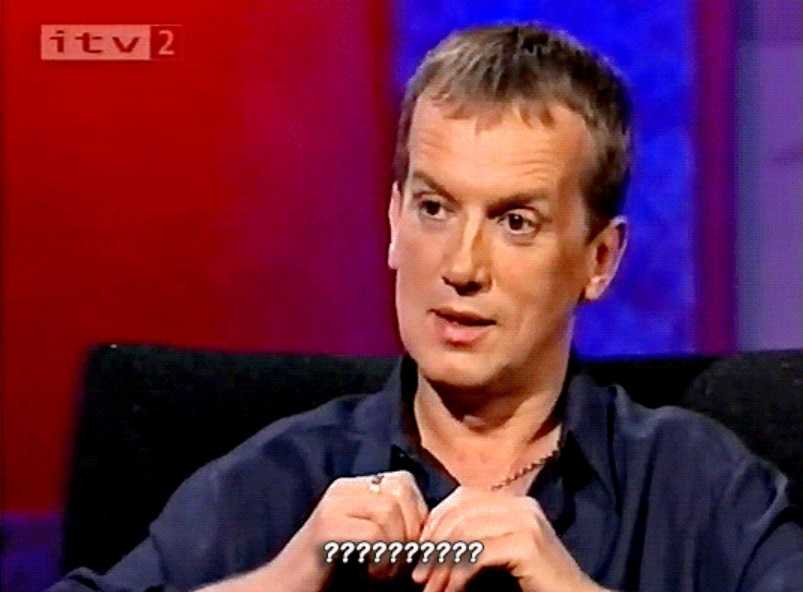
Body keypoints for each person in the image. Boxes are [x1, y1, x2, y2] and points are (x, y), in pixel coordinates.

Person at [49, 22, 803, 592]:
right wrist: (282, 579)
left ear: (598, 260)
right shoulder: (278, 480)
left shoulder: (696, 486)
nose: (461, 267)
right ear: (392, 222)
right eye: (434, 208)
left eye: (515, 222)